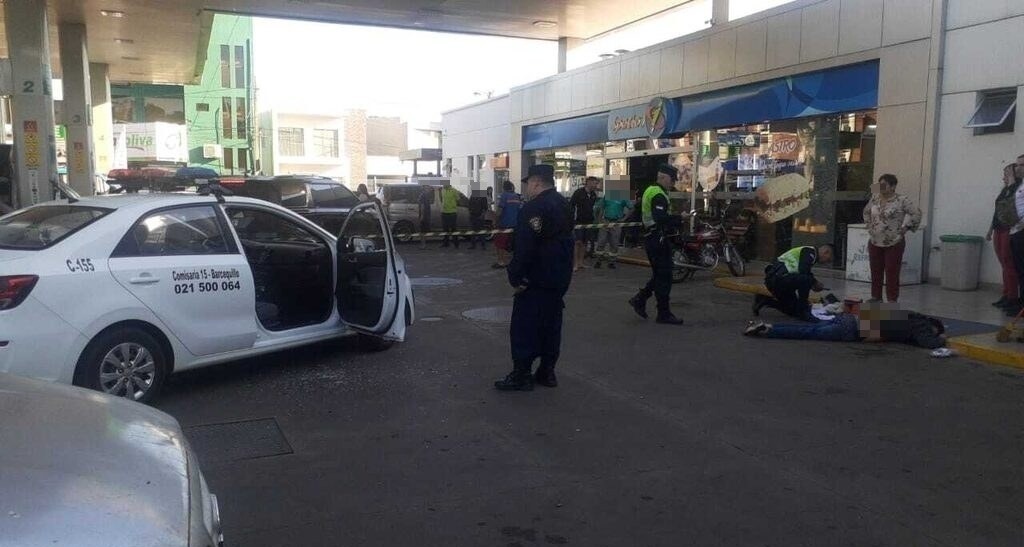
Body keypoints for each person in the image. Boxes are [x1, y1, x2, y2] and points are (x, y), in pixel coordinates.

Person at [495, 164, 574, 392]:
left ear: (536, 183)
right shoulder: (564, 204)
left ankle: (521, 374)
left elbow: (526, 246)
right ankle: (547, 371)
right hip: (559, 277)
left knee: (526, 326)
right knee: (551, 324)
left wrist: (515, 275)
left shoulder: (534, 208)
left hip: (536, 277)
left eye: (528, 183)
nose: (527, 187)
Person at [743, 303, 946, 349]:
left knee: (810, 330)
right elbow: (929, 342)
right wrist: (942, 339)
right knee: (809, 333)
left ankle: (768, 327)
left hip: (849, 319)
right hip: (853, 330)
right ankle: (769, 329)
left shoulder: (906, 315)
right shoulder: (920, 326)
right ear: (932, 325)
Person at [628, 164, 685, 325]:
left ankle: (640, 299)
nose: (672, 184)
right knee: (665, 276)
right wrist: (680, 218)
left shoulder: (650, 190)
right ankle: (663, 313)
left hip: (652, 238)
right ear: (664, 178)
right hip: (657, 238)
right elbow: (660, 218)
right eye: (672, 180)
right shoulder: (658, 194)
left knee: (660, 274)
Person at [862, 174, 922, 303]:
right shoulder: (875, 198)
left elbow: (916, 213)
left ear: (893, 186)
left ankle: (892, 299)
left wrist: (906, 227)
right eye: (880, 185)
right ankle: (876, 297)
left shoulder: (902, 200)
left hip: (893, 242)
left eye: (885, 185)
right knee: (875, 271)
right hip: (875, 241)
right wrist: (869, 226)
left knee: (891, 273)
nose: (881, 188)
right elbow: (866, 212)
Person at [754, 245, 834, 322]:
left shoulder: (809, 254)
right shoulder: (809, 252)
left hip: (780, 281)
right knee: (806, 279)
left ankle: (765, 300)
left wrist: (813, 283)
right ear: (826, 252)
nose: (826, 262)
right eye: (829, 259)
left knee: (794, 310)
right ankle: (803, 310)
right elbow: (803, 271)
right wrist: (815, 283)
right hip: (778, 279)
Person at [987, 163, 1022, 311]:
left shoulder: (1016, 188)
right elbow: (998, 210)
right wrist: (990, 229)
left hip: (1009, 228)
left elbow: (1010, 206)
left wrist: (1011, 183)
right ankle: (1006, 294)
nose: (1004, 176)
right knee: (1003, 263)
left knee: (1009, 263)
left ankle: (1013, 296)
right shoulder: (1005, 190)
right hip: (998, 228)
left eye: (1007, 173)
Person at [593, 189, 632, 269]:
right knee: (601, 241)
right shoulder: (607, 195)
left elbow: (632, 208)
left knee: (614, 243)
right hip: (606, 221)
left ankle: (612, 262)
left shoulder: (624, 197)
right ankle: (598, 261)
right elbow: (601, 207)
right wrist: (600, 220)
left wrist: (624, 218)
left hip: (616, 222)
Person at [569, 176, 599, 271]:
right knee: (577, 242)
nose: (596, 185)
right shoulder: (578, 193)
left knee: (585, 243)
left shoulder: (594, 195)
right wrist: (572, 219)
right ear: (589, 182)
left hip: (589, 221)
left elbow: (593, 208)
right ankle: (575, 264)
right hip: (578, 221)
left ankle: (581, 262)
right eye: (594, 183)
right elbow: (571, 206)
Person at [1007, 154, 1024, 316]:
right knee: (1019, 269)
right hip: (1014, 231)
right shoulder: (1020, 185)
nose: (1017, 168)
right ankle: (1020, 302)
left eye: (1021, 165)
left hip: (1022, 232)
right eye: (1017, 165)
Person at [492, 180, 522, 269]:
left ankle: (501, 262)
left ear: (504, 188)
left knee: (500, 244)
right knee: (512, 244)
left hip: (504, 225)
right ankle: (512, 262)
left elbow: (499, 212)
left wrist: (495, 221)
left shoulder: (504, 196)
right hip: (515, 225)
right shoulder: (517, 197)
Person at [440, 180, 460, 249]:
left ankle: (456, 244)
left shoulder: (454, 190)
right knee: (445, 229)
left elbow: (458, 199)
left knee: (453, 229)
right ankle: (446, 243)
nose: (443, 185)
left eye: (444, 184)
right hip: (444, 212)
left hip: (452, 212)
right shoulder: (442, 190)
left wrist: (453, 205)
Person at [417, 185, 433, 249]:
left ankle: (424, 244)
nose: (429, 189)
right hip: (424, 216)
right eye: (428, 188)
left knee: (424, 231)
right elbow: (422, 206)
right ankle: (423, 245)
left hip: (426, 215)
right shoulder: (423, 196)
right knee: (422, 231)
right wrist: (422, 216)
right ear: (425, 188)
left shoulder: (425, 195)